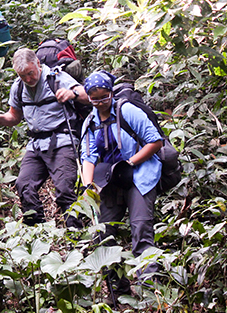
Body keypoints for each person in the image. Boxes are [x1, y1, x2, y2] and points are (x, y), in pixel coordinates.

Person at [0, 48, 89, 227]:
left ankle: (76, 233)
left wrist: (73, 94)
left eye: (30, 74)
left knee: (64, 189)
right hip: (36, 145)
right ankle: (37, 230)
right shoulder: (18, 87)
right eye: (22, 76)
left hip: (62, 141)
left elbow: (88, 95)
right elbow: (14, 117)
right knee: (24, 185)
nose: (28, 79)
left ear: (38, 64)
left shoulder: (57, 78)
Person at [80, 70, 163, 296]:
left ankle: (149, 292)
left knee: (141, 229)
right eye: (94, 98)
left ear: (111, 93)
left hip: (140, 175)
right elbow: (88, 156)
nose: (100, 103)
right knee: (103, 232)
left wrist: (131, 162)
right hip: (111, 180)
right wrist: (89, 186)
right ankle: (119, 290)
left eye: (104, 97)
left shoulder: (126, 111)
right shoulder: (90, 122)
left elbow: (155, 140)